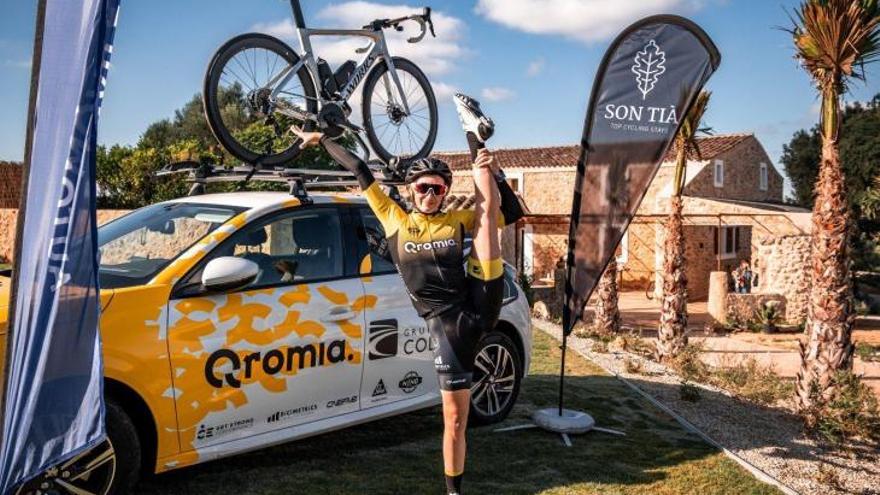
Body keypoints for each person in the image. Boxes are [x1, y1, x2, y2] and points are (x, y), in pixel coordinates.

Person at [292, 93, 523, 495]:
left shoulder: (457, 218)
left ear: (445, 190)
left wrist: (499, 176)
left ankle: (477, 143)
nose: (430, 194)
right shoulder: (394, 218)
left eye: (437, 188)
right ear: (411, 189)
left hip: (479, 299)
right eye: (423, 188)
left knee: (487, 217)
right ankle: (454, 492)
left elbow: (515, 214)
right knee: (454, 420)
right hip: (447, 327)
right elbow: (361, 170)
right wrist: (322, 141)